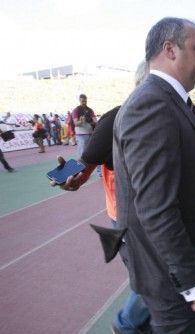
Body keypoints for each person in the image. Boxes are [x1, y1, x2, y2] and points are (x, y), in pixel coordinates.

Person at [113, 17, 195, 333]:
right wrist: (194, 281)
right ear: (170, 50)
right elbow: (155, 208)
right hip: (172, 277)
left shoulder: (166, 100)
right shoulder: (152, 104)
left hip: (176, 266)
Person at [54, 62, 152, 334]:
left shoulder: (171, 114)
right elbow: (85, 163)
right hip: (128, 216)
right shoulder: (115, 119)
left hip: (157, 212)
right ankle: (127, 325)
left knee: (152, 276)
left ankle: (139, 325)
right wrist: (68, 176)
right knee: (156, 276)